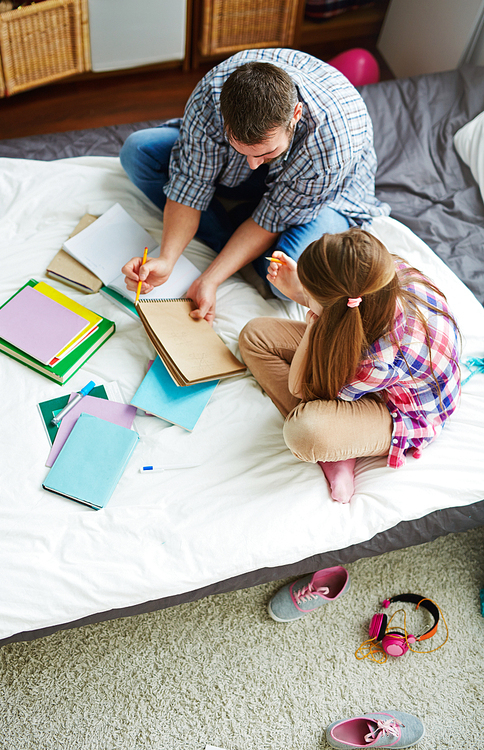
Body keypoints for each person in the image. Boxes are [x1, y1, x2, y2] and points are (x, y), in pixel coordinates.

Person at [119, 48, 389, 322]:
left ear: (296, 114)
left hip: (325, 193)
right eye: (241, 149)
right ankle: (238, 244)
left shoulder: (331, 145)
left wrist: (210, 279)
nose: (252, 165)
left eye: (265, 153)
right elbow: (190, 185)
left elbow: (271, 218)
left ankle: (235, 242)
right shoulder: (210, 94)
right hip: (238, 176)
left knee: (288, 281)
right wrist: (167, 259)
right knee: (138, 152)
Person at [238, 228, 461, 505]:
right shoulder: (384, 273)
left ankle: (340, 451)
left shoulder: (376, 360)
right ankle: (343, 437)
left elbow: (298, 387)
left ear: (334, 311)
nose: (305, 296)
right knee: (255, 334)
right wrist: (305, 290)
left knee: (304, 432)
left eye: (310, 295)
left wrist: (312, 326)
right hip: (377, 360)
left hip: (402, 409)